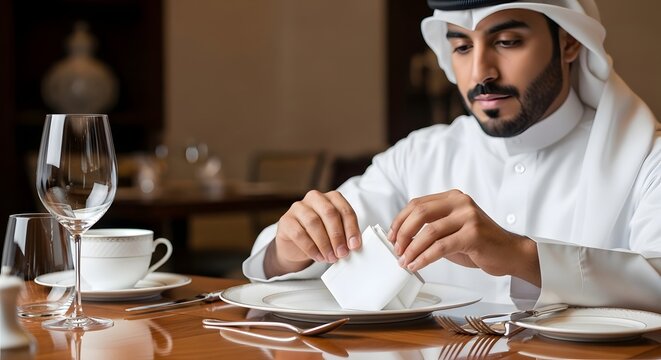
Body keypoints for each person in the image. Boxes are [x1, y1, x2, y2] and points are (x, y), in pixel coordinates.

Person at [243, 0, 661, 312]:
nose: (481, 72)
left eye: (507, 41)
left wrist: (520, 256)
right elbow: (280, 261)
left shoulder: (646, 156)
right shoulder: (418, 156)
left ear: (569, 42)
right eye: (462, 48)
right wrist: (293, 244)